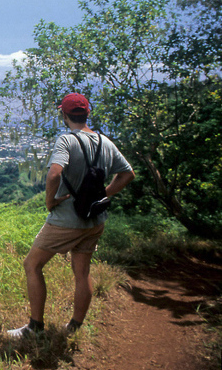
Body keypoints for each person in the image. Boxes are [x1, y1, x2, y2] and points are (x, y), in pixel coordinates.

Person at [7, 93, 135, 339]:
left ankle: (35, 328)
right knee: (82, 272)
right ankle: (74, 327)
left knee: (32, 265)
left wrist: (50, 201)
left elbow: (54, 175)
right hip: (94, 220)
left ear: (64, 115)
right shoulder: (104, 141)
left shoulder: (67, 140)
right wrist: (104, 195)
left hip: (66, 220)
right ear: (88, 113)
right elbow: (128, 173)